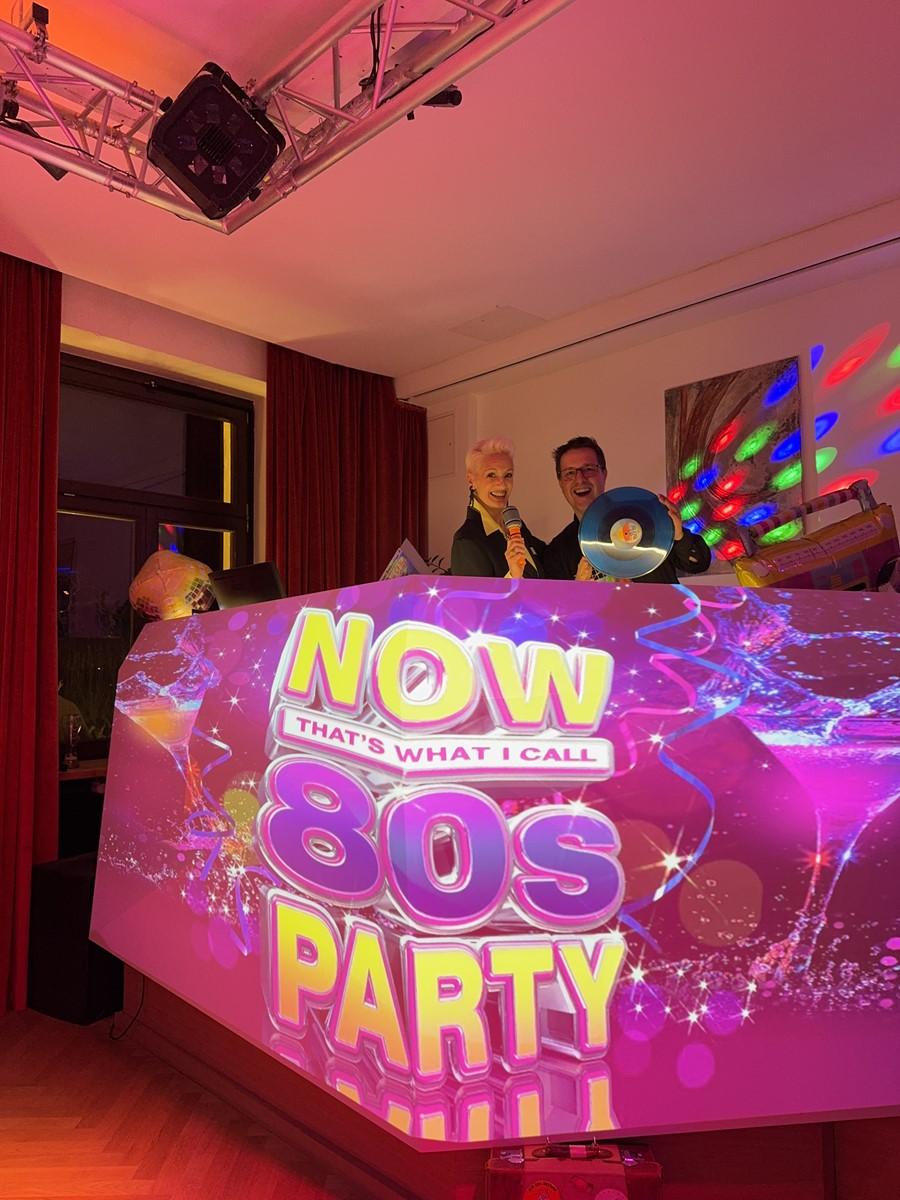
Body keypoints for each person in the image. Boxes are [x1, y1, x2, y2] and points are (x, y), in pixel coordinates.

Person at [542, 435, 711, 583]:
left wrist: (679, 535)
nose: (580, 479)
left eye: (588, 469)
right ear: (560, 483)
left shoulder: (647, 515)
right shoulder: (557, 552)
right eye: (569, 473)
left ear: (604, 473)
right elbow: (561, 606)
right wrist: (577, 590)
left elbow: (698, 563)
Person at [450, 437, 545, 578]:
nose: (502, 484)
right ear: (471, 480)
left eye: (508, 475)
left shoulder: (515, 526)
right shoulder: (467, 541)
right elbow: (475, 594)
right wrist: (513, 575)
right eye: (491, 475)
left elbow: (549, 561)